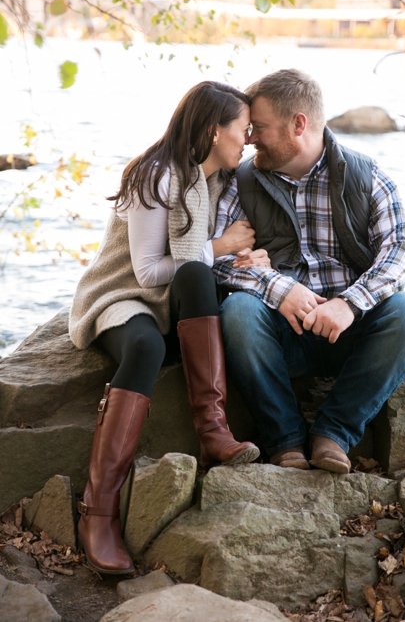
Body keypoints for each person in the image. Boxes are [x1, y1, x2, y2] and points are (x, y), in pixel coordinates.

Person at [68, 81, 269, 574]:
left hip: (172, 302)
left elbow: (195, 269)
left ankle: (213, 431)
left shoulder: (219, 180)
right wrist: (220, 247)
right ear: (211, 129)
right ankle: (99, 512)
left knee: (198, 273)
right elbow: (149, 272)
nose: (247, 140)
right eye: (242, 130)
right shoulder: (154, 176)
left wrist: (249, 257)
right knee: (145, 349)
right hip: (122, 298)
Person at [212, 69, 405, 473]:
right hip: (280, 333)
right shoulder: (240, 181)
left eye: (258, 127)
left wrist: (350, 303)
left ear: (299, 124)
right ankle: (285, 442)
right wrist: (280, 290)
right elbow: (219, 261)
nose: (250, 138)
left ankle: (333, 435)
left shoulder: (366, 175)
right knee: (238, 313)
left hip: (352, 330)